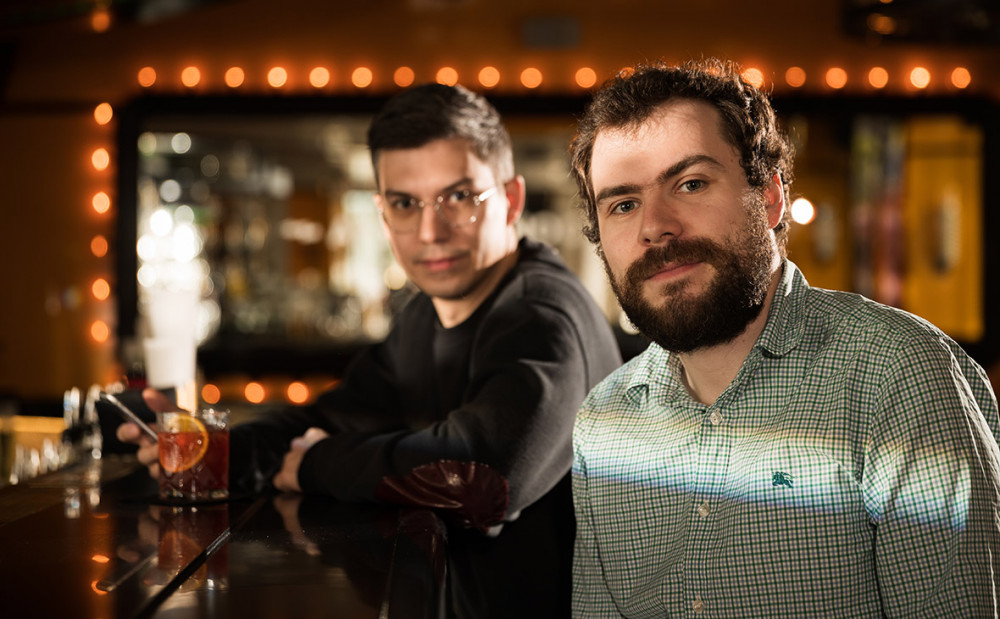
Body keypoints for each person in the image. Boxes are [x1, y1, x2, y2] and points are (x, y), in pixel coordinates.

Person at [119, 83, 622, 617]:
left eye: (458, 198)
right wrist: (210, 453)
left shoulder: (539, 313)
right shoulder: (426, 315)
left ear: (511, 200)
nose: (430, 231)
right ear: (384, 215)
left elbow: (484, 479)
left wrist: (315, 464)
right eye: (406, 204)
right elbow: (335, 415)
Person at [568, 58, 1000, 617]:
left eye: (691, 183)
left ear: (770, 197)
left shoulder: (898, 376)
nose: (655, 226)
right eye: (624, 205)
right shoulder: (602, 421)